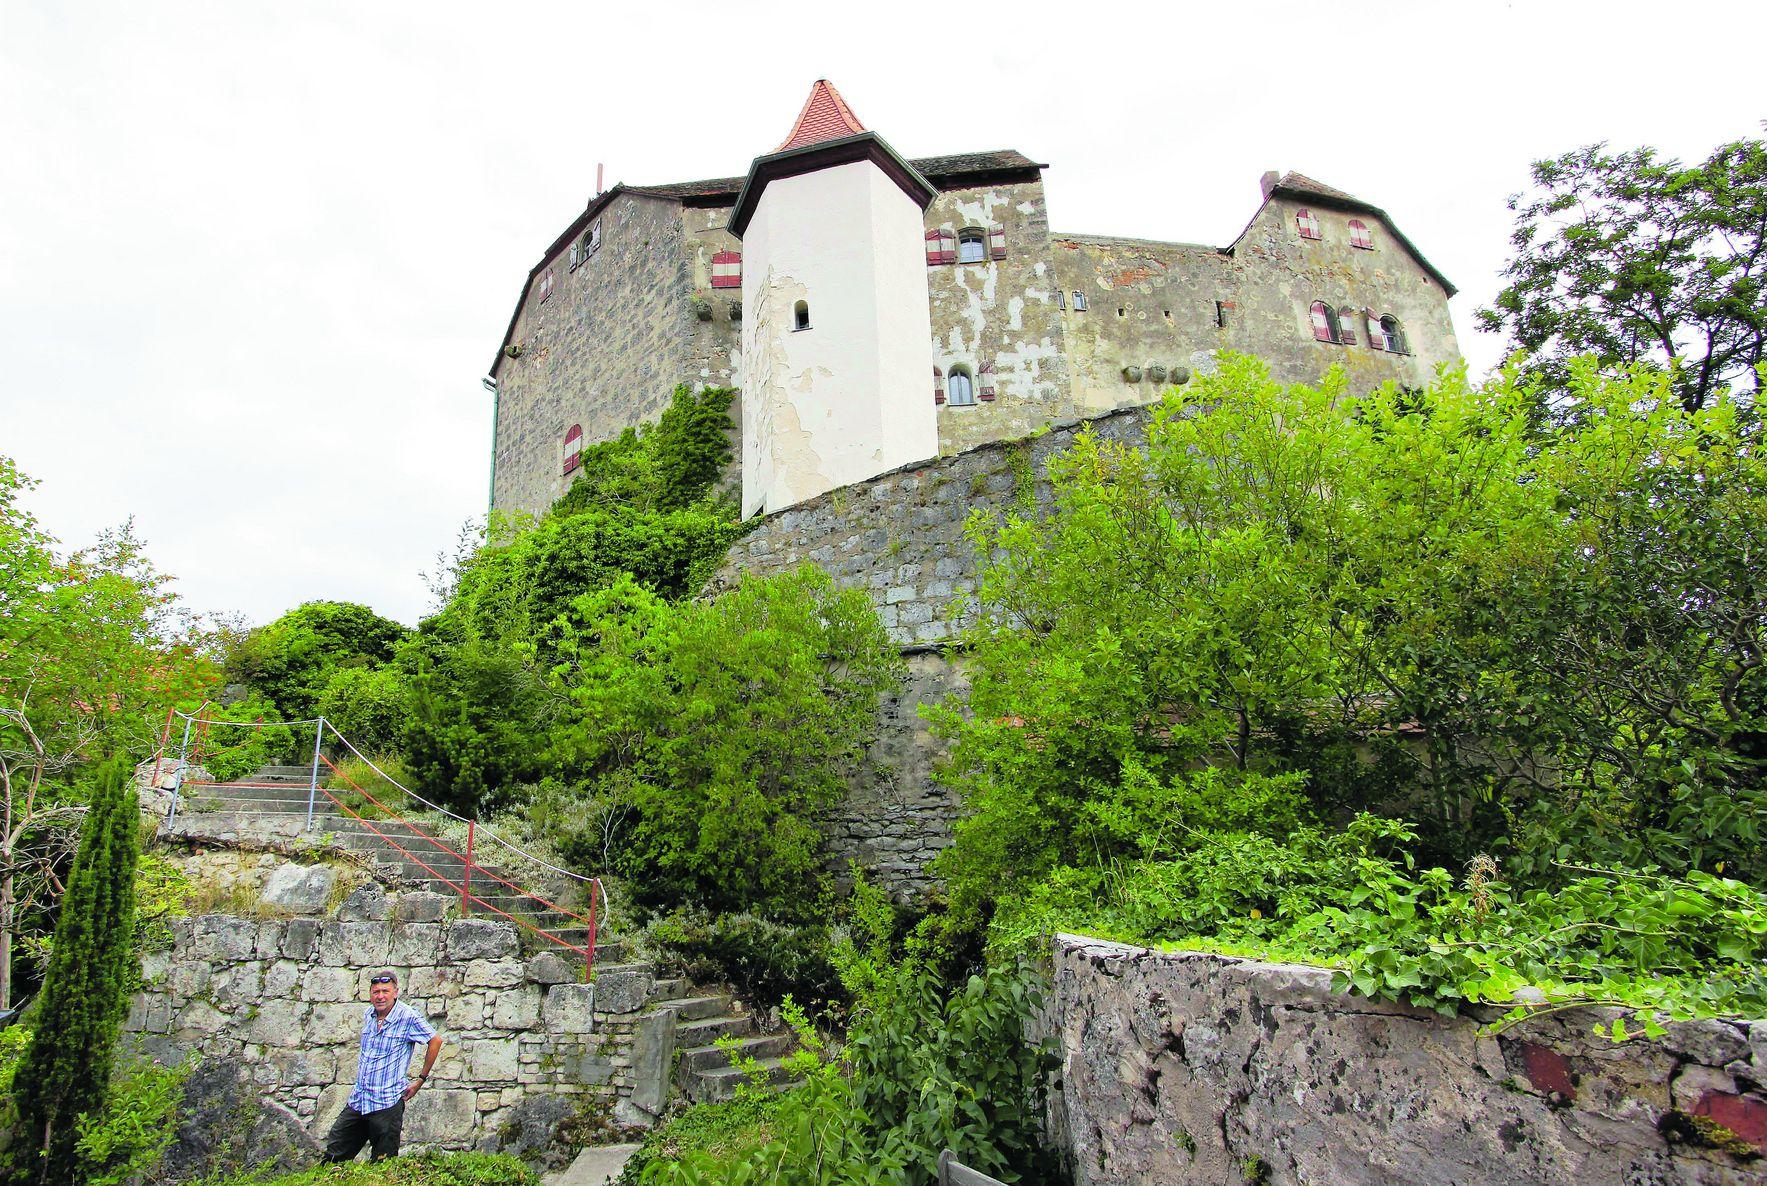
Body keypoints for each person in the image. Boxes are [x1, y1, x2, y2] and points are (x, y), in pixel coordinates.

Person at [324, 971, 443, 1162]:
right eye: (376, 992)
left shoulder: (408, 1016)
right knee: (333, 1157)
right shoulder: (369, 1014)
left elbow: (435, 1040)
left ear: (395, 992)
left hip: (387, 1103)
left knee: (383, 1163)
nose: (380, 996)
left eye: (385, 991)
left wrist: (421, 1079)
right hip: (360, 1100)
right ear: (370, 994)